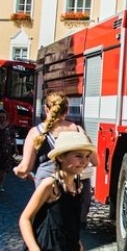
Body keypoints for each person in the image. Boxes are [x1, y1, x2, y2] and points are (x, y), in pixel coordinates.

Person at [15, 92, 98, 225]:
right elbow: (95, 161)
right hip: (74, 188)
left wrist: (16, 170)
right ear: (67, 110)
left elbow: (25, 168)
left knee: (46, 225)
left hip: (47, 189)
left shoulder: (36, 132)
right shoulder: (78, 130)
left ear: (46, 109)